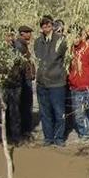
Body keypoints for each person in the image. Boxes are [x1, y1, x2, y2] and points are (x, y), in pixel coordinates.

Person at [34, 16, 68, 147]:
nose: (46, 28)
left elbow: (64, 57)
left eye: (48, 25)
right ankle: (48, 137)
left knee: (59, 112)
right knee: (45, 112)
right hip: (42, 83)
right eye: (43, 26)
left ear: (52, 26)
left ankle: (59, 138)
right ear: (41, 27)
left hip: (57, 82)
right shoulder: (38, 42)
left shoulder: (61, 40)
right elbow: (38, 58)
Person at [15, 25, 35, 138]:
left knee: (26, 104)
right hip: (23, 79)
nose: (30, 35)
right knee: (25, 104)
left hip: (26, 78)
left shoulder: (23, 45)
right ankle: (25, 130)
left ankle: (25, 129)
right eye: (28, 32)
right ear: (22, 33)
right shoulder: (20, 45)